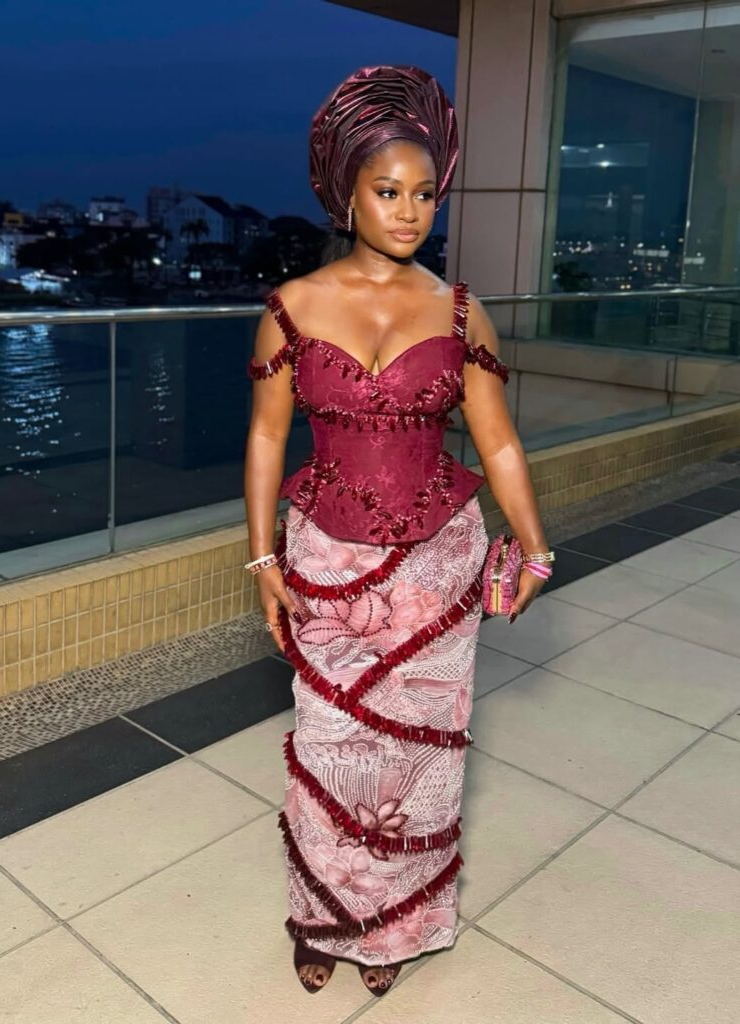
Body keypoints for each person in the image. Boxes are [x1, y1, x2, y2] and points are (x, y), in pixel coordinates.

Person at [243, 64, 551, 998]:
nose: (409, 211)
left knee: (420, 756)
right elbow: (266, 438)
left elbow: (498, 444)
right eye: (388, 191)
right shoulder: (291, 307)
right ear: (348, 194)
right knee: (328, 746)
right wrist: (262, 557)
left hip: (437, 565)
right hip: (324, 559)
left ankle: (397, 925)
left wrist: (536, 548)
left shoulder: (460, 312)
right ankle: (325, 917)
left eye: (424, 194)